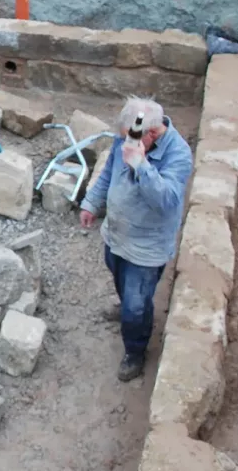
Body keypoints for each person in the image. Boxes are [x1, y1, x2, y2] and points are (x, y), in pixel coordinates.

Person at [79, 97, 192, 382]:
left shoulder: (179, 154)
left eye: (130, 139)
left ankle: (135, 351)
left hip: (146, 248)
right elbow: (108, 173)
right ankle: (128, 308)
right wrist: (91, 203)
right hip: (117, 236)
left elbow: (166, 201)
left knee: (137, 304)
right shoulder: (130, 137)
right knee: (120, 279)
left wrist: (140, 164)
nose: (124, 143)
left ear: (151, 134)